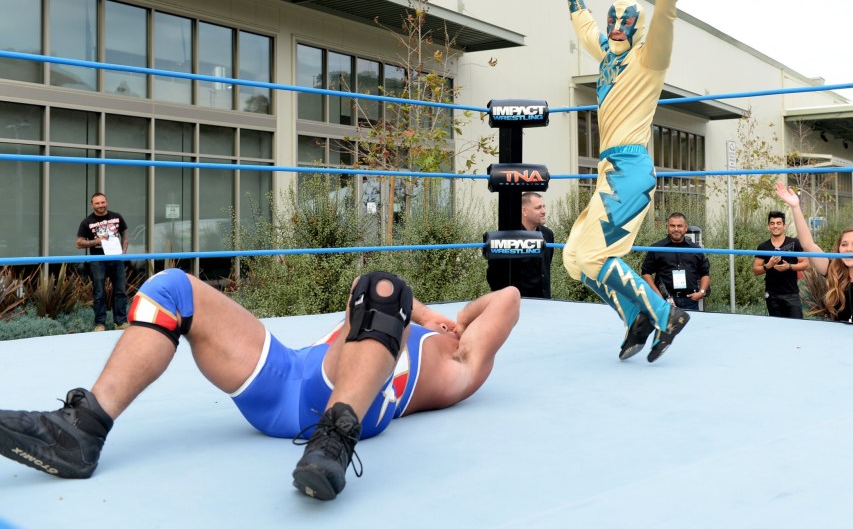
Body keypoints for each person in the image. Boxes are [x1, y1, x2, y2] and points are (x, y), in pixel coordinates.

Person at [0, 270, 520, 501]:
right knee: (172, 288)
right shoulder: (398, 314)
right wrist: (427, 311)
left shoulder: (462, 364)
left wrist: (456, 320)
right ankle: (82, 429)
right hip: (290, 378)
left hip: (348, 404)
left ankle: (334, 441)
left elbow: (510, 297)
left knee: (383, 287)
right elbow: (361, 306)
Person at [558, 0, 689, 363]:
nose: (615, 29)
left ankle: (664, 313)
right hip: (610, 170)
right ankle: (636, 315)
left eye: (625, 23)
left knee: (596, 255)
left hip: (631, 171)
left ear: (637, 29)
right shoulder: (608, 55)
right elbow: (586, 27)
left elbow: (666, 15)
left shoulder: (649, 58)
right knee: (575, 259)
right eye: (614, 22)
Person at [774, 173, 853, 324]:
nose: (849, 249)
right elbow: (808, 245)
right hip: (837, 339)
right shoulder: (834, 270)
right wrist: (795, 207)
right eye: (844, 244)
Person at [75, 192, 129, 332]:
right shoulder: (87, 222)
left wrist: (123, 252)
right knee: (99, 292)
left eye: (103, 202)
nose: (100, 205)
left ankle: (121, 321)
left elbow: (125, 236)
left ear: (107, 202)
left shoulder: (116, 217)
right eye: (97, 203)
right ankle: (100, 323)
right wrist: (97, 241)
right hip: (98, 261)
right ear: (92, 205)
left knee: (120, 292)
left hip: (117, 259)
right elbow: (79, 243)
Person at [486, 192, 554, 298]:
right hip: (517, 303)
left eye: (544, 207)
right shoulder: (507, 237)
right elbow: (494, 276)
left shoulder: (548, 235)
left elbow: (545, 267)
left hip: (543, 303)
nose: (544, 211)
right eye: (538, 208)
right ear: (524, 211)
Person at [641, 212, 710, 312]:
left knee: (693, 328)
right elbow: (645, 273)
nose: (676, 229)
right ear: (667, 227)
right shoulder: (657, 248)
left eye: (679, 226)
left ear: (685, 228)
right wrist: (657, 295)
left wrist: (702, 292)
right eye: (672, 226)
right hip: (665, 301)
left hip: (690, 301)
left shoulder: (696, 249)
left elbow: (705, 273)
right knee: (665, 328)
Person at [752, 210, 811, 319]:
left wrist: (789, 266)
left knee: (797, 327)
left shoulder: (794, 243)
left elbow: (805, 264)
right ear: (768, 226)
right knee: (776, 329)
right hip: (772, 295)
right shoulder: (763, 246)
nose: (775, 226)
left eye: (779, 223)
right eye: (772, 223)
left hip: (791, 294)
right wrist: (768, 265)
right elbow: (755, 270)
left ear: (784, 226)